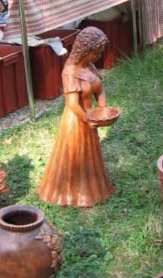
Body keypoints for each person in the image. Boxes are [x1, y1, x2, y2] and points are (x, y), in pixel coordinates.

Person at [38, 26, 114, 207]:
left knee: (90, 155)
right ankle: (69, 193)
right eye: (96, 53)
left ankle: (93, 188)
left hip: (90, 116)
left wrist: (102, 109)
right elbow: (72, 103)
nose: (98, 56)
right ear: (85, 50)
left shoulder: (90, 67)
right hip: (76, 120)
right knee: (75, 154)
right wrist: (88, 120)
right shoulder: (70, 72)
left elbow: (99, 90)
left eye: (100, 53)